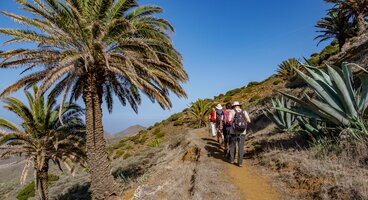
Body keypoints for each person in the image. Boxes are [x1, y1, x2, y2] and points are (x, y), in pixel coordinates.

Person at [228, 101, 251, 167]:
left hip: (233, 132)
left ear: (234, 106)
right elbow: (249, 121)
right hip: (242, 132)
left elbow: (229, 120)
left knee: (232, 146)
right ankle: (240, 163)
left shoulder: (232, 111)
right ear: (239, 105)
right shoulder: (244, 111)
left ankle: (232, 160)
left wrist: (233, 121)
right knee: (241, 147)